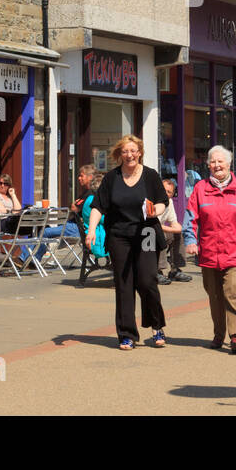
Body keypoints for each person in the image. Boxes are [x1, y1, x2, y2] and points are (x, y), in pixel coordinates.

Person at [87, 135, 169, 350]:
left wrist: (155, 211)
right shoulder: (111, 178)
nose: (130, 154)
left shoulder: (150, 175)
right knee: (124, 284)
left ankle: (157, 326)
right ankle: (127, 334)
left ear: (139, 152)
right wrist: (92, 230)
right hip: (119, 235)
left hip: (147, 233)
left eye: (133, 150)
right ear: (119, 154)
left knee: (147, 281)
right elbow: (98, 206)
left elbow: (162, 202)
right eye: (125, 151)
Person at [184, 145, 236, 355]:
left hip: (235, 253)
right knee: (215, 297)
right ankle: (219, 334)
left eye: (221, 162)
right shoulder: (200, 189)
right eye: (213, 162)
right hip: (209, 255)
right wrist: (190, 240)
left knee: (233, 293)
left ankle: (235, 336)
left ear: (229, 164)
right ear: (208, 165)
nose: (217, 165)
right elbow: (191, 218)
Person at [155, 178, 190, 284]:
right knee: (160, 235)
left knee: (178, 234)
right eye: (163, 190)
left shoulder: (169, 202)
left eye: (169, 192)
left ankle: (175, 270)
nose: (165, 193)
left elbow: (173, 221)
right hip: (146, 233)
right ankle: (157, 271)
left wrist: (179, 228)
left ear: (172, 194)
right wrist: (173, 228)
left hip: (159, 230)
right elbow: (155, 224)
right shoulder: (151, 199)